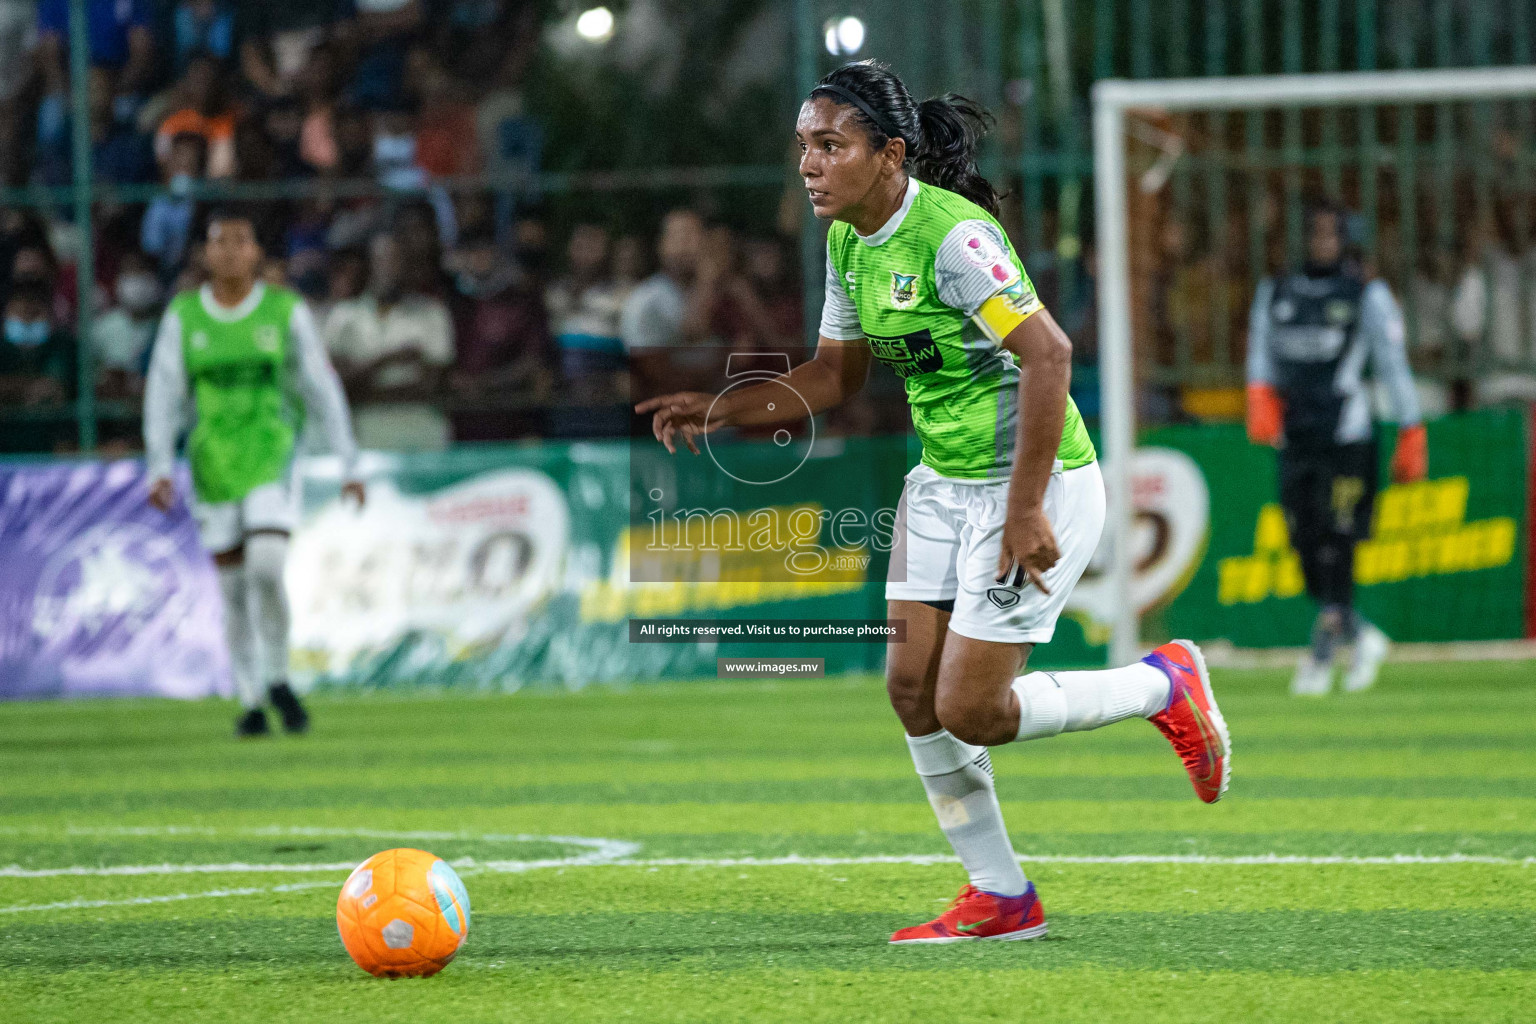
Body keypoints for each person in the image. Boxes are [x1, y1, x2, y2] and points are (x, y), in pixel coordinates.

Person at [637, 60, 1231, 945]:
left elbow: (1051, 358)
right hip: (943, 487)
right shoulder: (847, 242)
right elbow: (834, 377)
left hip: (1037, 483)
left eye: (830, 145)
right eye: (803, 144)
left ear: (890, 154)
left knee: (974, 710)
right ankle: (999, 895)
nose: (808, 164)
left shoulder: (954, 237)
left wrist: (1025, 510)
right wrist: (724, 409)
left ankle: (1161, 684)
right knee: (911, 690)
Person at [144, 207, 364, 737]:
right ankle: (250, 698)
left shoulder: (285, 311)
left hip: (271, 450)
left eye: (241, 241)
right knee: (234, 586)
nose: (229, 252)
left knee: (266, 565)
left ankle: (280, 676)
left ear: (256, 252)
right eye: (219, 242)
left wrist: (347, 460)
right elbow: (164, 391)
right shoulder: (185, 316)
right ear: (205, 253)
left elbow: (320, 387)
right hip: (213, 459)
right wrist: (159, 464)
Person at [1246, 202, 1427, 696]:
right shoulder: (1277, 290)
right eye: (1315, 233)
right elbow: (1260, 350)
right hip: (1296, 434)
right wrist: (1258, 391)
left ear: (1344, 238)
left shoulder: (1366, 293)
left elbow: (1392, 361)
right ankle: (1358, 633)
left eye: (1332, 234)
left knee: (1339, 537)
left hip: (1348, 434)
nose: (1322, 242)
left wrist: (1411, 425)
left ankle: (1325, 647)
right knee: (1302, 540)